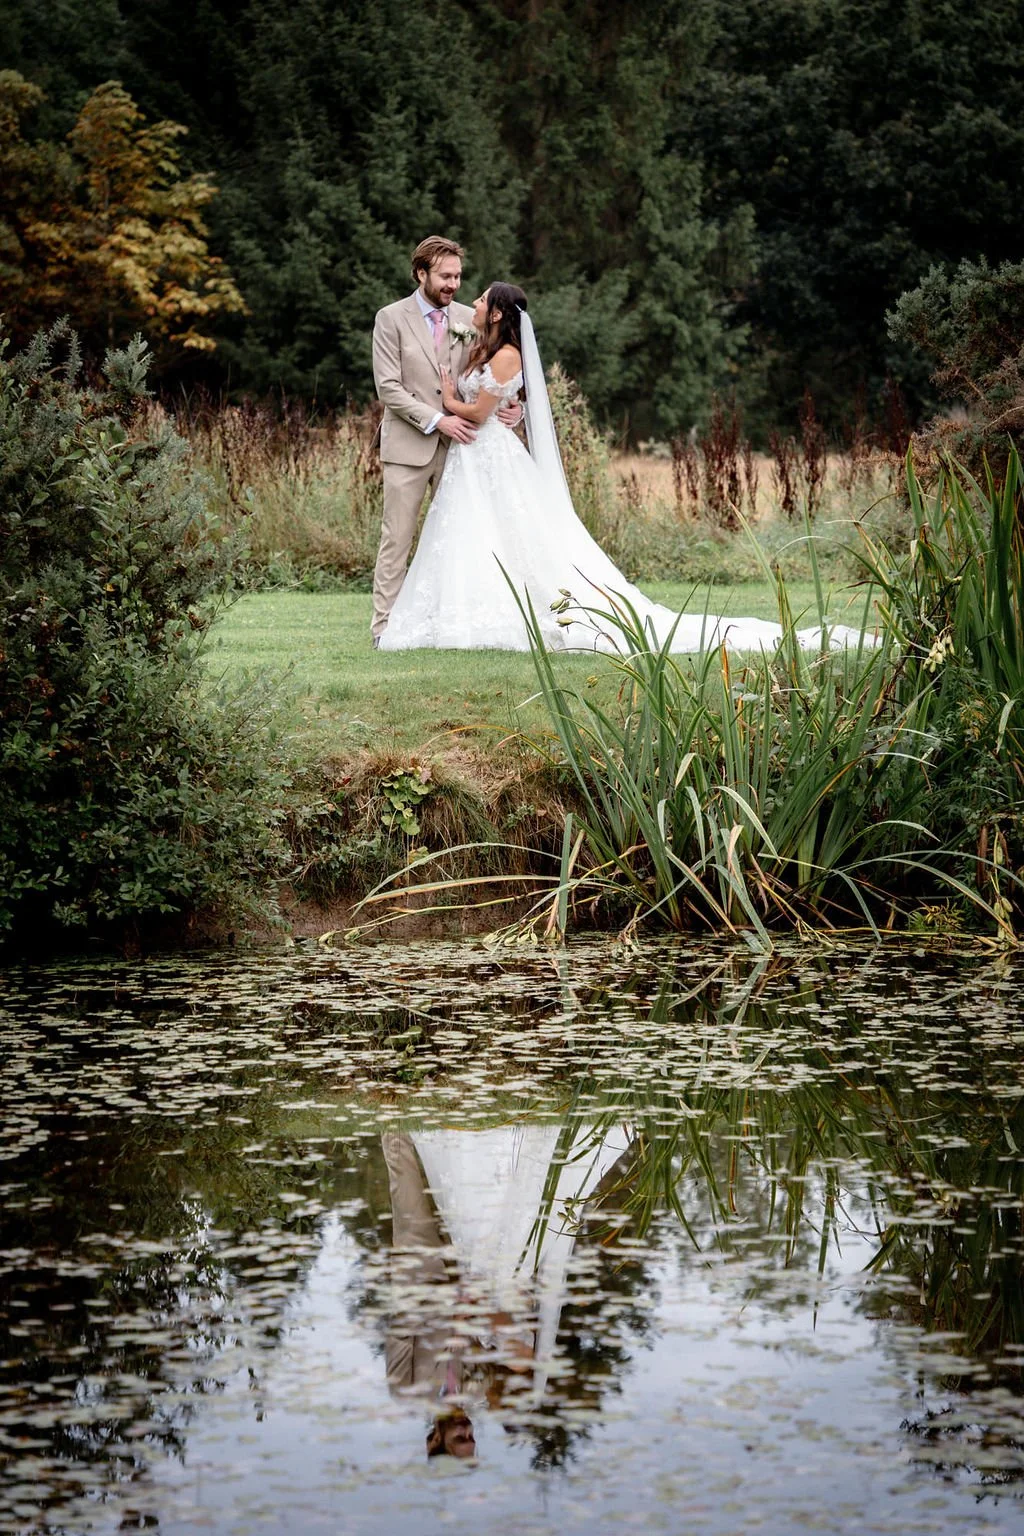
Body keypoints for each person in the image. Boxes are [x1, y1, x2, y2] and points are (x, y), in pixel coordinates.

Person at [377, 282, 878, 654]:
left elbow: (483, 408)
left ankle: (501, 617)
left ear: (499, 310)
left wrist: (449, 399)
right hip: (469, 458)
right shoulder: (474, 337)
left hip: (485, 454)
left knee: (510, 534)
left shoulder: (503, 351)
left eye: (482, 296)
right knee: (470, 537)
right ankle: (447, 617)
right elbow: (494, 396)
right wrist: (496, 403)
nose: (473, 300)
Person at [370, 236, 521, 646]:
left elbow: (496, 371)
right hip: (409, 446)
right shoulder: (391, 318)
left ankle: (450, 625)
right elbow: (389, 388)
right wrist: (439, 420)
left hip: (464, 451)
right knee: (397, 538)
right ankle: (384, 630)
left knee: (461, 539)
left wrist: (513, 407)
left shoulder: (471, 319)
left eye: (457, 275)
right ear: (421, 273)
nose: (454, 284)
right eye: (444, 276)